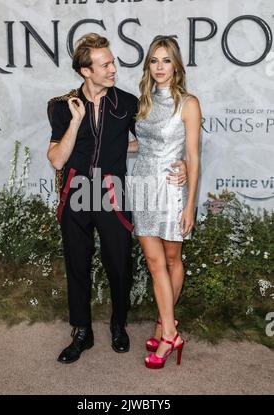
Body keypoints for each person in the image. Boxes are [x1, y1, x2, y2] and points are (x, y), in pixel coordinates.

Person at [46, 33, 188, 364]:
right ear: (85, 70)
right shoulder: (61, 106)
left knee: (119, 264)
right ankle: (81, 331)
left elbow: (152, 142)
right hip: (77, 191)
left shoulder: (126, 103)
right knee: (77, 263)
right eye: (105, 64)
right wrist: (77, 121)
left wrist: (178, 160)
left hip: (112, 192)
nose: (113, 68)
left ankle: (118, 325)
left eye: (113, 62)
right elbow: (56, 158)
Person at [128, 36, 201, 368]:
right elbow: (140, 145)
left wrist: (190, 206)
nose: (159, 67)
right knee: (154, 263)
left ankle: (164, 328)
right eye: (154, 61)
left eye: (166, 60)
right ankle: (170, 331)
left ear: (176, 65)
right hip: (142, 186)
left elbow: (194, 157)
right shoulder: (142, 102)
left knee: (172, 260)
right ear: (148, 66)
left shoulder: (188, 103)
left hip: (172, 189)